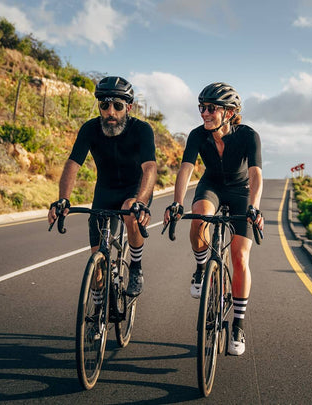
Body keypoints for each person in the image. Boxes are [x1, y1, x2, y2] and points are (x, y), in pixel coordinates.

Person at [163, 82, 263, 356]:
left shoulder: (248, 136)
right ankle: (200, 269)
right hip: (212, 186)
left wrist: (254, 207)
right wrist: (176, 203)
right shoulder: (197, 135)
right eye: (201, 107)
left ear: (229, 113)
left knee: (240, 256)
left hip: (241, 191)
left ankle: (238, 325)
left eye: (211, 108)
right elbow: (186, 169)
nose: (204, 113)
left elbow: (255, 175)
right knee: (199, 219)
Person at [48, 76, 157, 297]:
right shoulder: (90, 129)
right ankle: (97, 314)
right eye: (104, 105)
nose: (111, 112)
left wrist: (142, 203)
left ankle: (135, 266)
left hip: (134, 189)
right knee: (97, 262)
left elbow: (150, 168)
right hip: (105, 192)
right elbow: (72, 164)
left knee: (130, 210)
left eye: (117, 106)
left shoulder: (142, 130)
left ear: (128, 107)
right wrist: (63, 199)